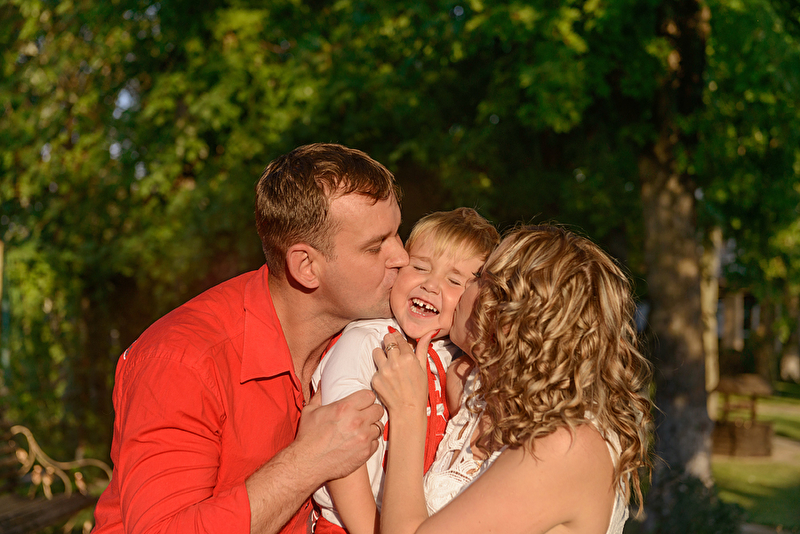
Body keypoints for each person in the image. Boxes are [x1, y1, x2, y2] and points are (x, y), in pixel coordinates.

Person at [92, 143, 410, 534]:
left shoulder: (369, 334)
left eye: (397, 233)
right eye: (376, 247)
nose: (402, 257)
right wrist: (309, 461)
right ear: (306, 266)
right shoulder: (181, 361)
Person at [371, 225, 654, 534]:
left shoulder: (566, 445)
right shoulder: (473, 388)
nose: (466, 287)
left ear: (508, 316)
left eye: (479, 277)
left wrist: (408, 411)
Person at [310, 208, 500, 534]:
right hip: (349, 525)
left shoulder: (452, 356)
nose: (431, 285)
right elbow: (337, 452)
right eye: (420, 267)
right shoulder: (367, 341)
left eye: (454, 281)